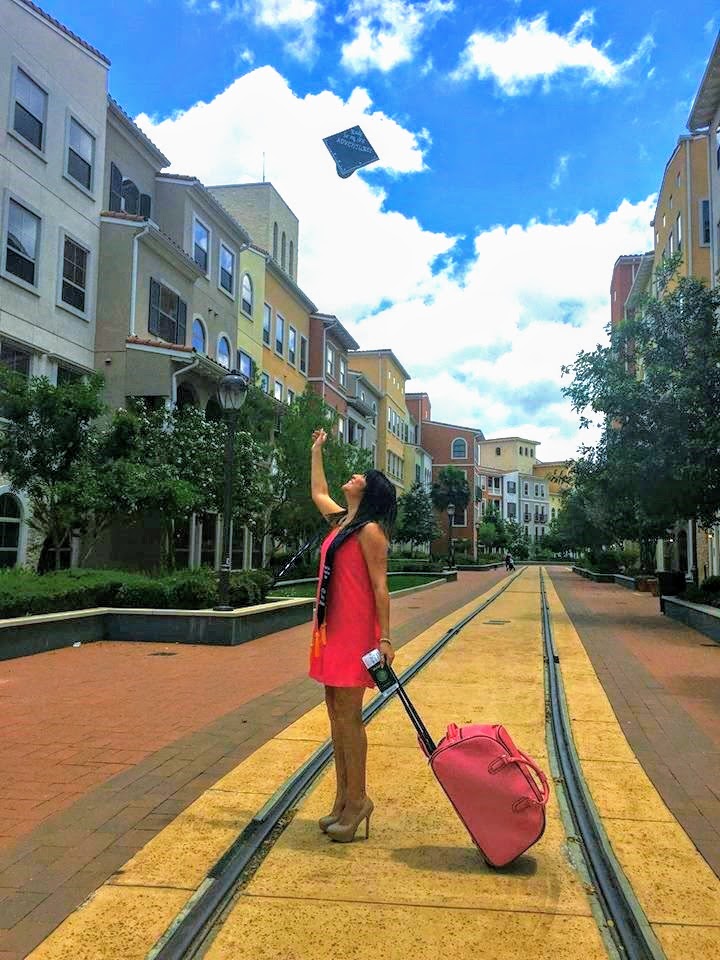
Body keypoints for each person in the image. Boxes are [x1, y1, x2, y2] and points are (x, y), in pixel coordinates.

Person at [308, 427, 397, 843]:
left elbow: (381, 587)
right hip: (331, 629)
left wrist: (385, 640)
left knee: (349, 717)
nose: (354, 477)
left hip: (356, 634)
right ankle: (342, 800)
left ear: (370, 491)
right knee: (335, 715)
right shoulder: (342, 522)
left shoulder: (369, 531)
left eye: (361, 477)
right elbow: (318, 492)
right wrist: (316, 452)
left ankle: (358, 800)